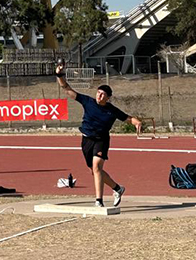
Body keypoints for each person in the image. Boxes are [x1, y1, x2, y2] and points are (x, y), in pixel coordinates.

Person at [56, 61, 141, 208]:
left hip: (101, 140)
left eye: (103, 94)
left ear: (108, 97)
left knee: (96, 167)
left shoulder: (112, 110)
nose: (99, 96)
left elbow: (128, 118)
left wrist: (137, 122)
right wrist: (59, 74)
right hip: (86, 139)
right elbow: (67, 89)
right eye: (98, 93)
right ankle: (117, 188)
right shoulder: (88, 101)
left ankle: (98, 201)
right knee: (94, 171)